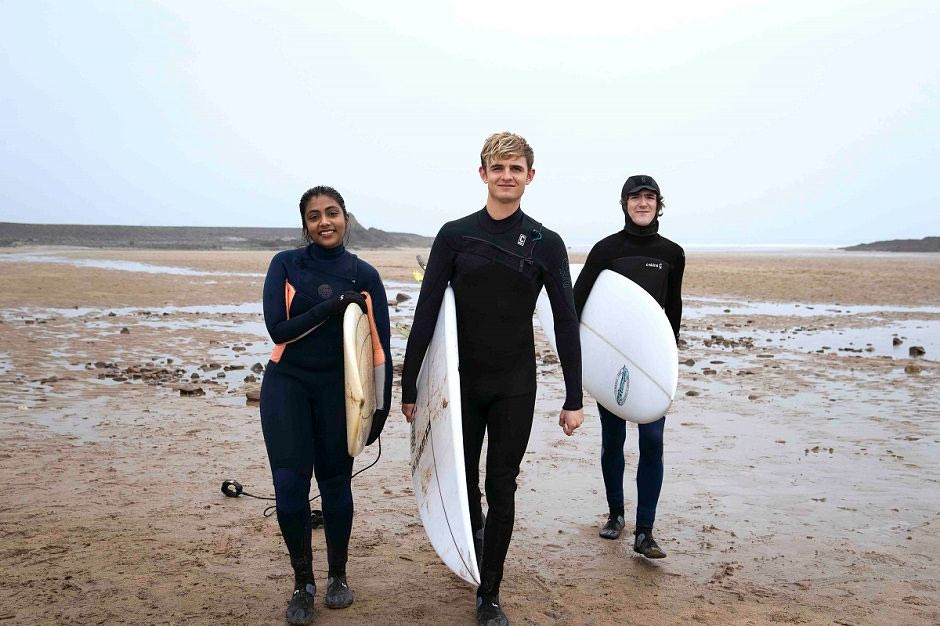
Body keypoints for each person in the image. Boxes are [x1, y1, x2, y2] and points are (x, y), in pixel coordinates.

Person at [401, 132, 584, 626]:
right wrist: (411, 384)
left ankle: (490, 592)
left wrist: (573, 396)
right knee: (464, 483)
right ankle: (473, 544)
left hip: (514, 384)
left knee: (503, 484)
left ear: (530, 176)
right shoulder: (455, 235)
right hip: (459, 385)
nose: (507, 175)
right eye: (498, 167)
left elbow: (565, 320)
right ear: (482, 173)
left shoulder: (546, 243)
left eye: (516, 168)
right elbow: (427, 312)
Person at [259, 186, 392, 625]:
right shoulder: (285, 264)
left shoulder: (365, 275)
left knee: (336, 486)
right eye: (314, 216)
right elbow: (279, 330)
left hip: (341, 391)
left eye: (331, 213)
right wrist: (334, 306)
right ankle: (303, 582)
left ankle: (337, 576)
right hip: (289, 386)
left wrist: (380, 408)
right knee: (289, 488)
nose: (324, 222)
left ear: (346, 218)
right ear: (305, 225)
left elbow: (379, 349)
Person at [573, 174, 684, 559]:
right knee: (613, 440)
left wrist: (666, 362)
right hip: (613, 362)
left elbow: (673, 312)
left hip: (649, 363)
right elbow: (578, 305)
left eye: (649, 197)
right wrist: (585, 360)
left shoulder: (672, 253)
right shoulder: (606, 250)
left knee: (653, 441)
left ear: (658, 204)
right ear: (624, 204)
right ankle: (616, 515)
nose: (642, 203)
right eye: (635, 197)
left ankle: (646, 531)